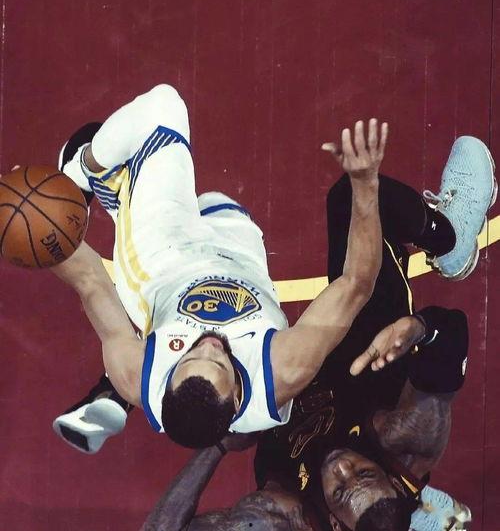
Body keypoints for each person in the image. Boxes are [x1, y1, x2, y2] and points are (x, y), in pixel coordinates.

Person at [53, 130, 493, 531]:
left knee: (187, 349)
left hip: (261, 389)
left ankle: (117, 386)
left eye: (340, 490)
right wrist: (419, 329)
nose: (342, 468)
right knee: (354, 200)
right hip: (362, 350)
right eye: (363, 472)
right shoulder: (407, 438)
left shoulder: (286, 516)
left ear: (333, 523)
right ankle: (450, 239)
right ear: (393, 481)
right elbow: (450, 332)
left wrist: (218, 444)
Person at [52, 84, 387, 448]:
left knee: (162, 107)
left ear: (168, 382)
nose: (209, 345)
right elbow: (356, 284)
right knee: (216, 203)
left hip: (162, 266)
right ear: (238, 398)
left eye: (188, 357)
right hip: (238, 253)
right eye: (219, 362)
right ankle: (126, 190)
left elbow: (90, 281)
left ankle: (81, 176)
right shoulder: (284, 368)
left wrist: (45, 220)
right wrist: (365, 183)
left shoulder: (137, 376)